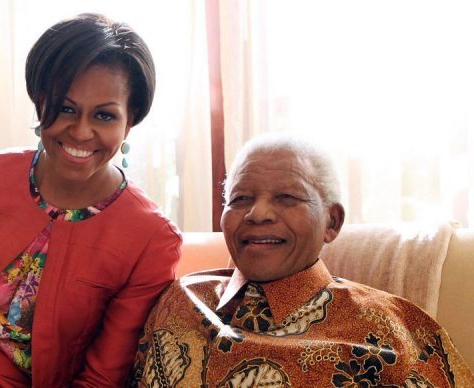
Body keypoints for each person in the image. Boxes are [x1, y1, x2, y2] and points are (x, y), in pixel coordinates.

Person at [132, 133, 474, 386]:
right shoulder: (181, 300)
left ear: (332, 222)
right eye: (240, 198)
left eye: (286, 197)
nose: (258, 213)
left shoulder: (396, 334)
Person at [0, 13, 181, 386]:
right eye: (65, 108)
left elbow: (102, 377)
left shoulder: (152, 241)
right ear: (40, 103)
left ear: (130, 122)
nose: (81, 132)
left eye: (104, 115)